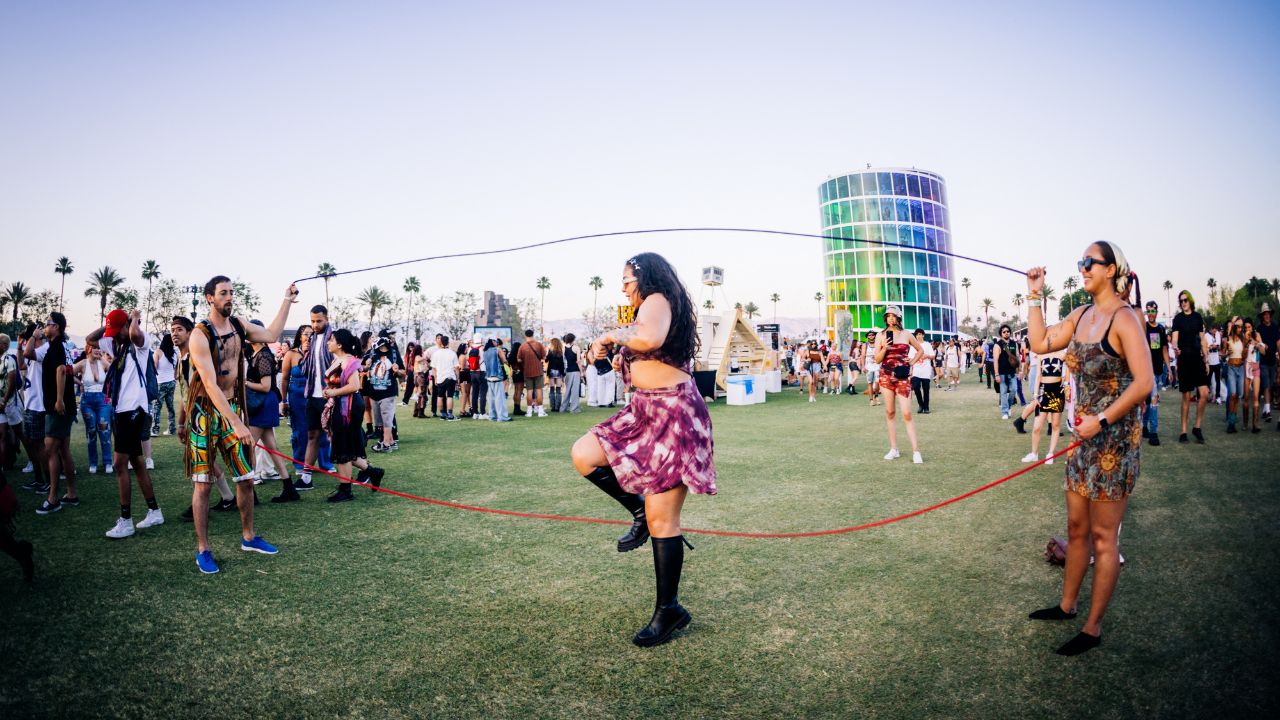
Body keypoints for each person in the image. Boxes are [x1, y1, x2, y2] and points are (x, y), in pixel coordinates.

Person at [571, 252, 715, 647]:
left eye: (627, 279)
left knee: (662, 521)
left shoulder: (656, 300)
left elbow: (649, 339)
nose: (623, 286)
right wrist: (599, 351)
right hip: (642, 410)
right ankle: (636, 509)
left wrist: (609, 335)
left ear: (646, 278)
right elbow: (639, 346)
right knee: (584, 454)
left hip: (673, 414)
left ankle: (668, 610)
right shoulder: (647, 310)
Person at [1024, 240, 1152, 655]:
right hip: (1083, 441)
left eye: (1089, 263)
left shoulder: (1125, 319)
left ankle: (1092, 628)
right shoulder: (1080, 315)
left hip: (1113, 441)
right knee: (1077, 530)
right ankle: (1067, 606)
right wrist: (1034, 295)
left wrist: (1102, 419)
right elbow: (1040, 343)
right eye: (1080, 262)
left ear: (1112, 269)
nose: (1082, 268)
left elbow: (1144, 382)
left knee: (1103, 537)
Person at [183, 276, 296, 573]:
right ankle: (203, 549)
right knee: (203, 484)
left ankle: (248, 537)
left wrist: (286, 300)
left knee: (245, 477)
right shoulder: (199, 335)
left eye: (231, 292)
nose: (229, 297)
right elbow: (209, 384)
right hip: (204, 413)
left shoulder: (239, 325)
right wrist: (237, 423)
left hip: (232, 406)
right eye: (223, 293)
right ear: (210, 298)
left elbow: (271, 332)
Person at [83, 308, 162, 535]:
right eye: (113, 332)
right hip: (121, 410)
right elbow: (91, 340)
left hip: (133, 410)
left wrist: (133, 319)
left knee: (119, 464)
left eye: (118, 331)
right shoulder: (116, 344)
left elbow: (135, 333)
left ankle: (126, 520)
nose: (115, 335)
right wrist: (111, 325)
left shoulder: (140, 343)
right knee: (136, 463)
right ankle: (154, 511)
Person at [172, 315, 239, 520]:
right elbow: (186, 395)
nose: (175, 333)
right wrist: (181, 422)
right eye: (172, 330)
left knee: (202, 461)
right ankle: (228, 498)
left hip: (205, 416)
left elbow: (205, 388)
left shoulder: (195, 358)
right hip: (194, 416)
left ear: (191, 333)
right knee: (201, 460)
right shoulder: (181, 359)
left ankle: (205, 503)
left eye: (180, 330)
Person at [320, 329, 386, 502]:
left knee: (343, 447)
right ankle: (373, 472)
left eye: (331, 340)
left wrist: (333, 393)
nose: (328, 343)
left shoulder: (348, 361)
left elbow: (354, 385)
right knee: (345, 446)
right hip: (342, 405)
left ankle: (345, 490)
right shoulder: (338, 360)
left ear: (340, 344)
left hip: (347, 408)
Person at [25, 313, 79, 515]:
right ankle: (71, 494)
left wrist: (58, 399)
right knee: (63, 449)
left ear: (56, 327)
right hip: (62, 406)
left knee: (50, 449)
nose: (45, 327)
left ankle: (53, 498)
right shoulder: (61, 346)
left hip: (57, 407)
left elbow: (60, 371)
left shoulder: (55, 346)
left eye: (47, 324)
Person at [245, 321, 298, 500]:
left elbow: (266, 386)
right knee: (271, 447)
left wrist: (244, 383)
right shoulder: (257, 354)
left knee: (248, 447)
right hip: (264, 404)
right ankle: (288, 487)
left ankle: (249, 491)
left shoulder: (264, 356)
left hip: (263, 403)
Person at [873, 307, 926, 463]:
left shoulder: (907, 334)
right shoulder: (880, 335)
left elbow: (920, 350)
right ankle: (894, 448)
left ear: (899, 317)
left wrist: (912, 362)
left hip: (902, 377)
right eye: (888, 316)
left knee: (907, 413)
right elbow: (877, 359)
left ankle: (916, 451)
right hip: (885, 377)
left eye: (893, 316)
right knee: (890, 412)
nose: (890, 318)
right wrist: (884, 348)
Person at [280, 325, 333, 474]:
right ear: (300, 336)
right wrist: (284, 401)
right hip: (296, 396)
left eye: (311, 334)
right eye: (306, 334)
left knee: (322, 429)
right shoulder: (291, 354)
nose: (309, 336)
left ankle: (325, 462)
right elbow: (284, 379)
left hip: (315, 395)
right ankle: (300, 463)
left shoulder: (319, 352)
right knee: (300, 431)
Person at [297, 305, 334, 491]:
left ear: (326, 319)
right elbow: (305, 370)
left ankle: (361, 469)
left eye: (319, 320)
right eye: (312, 321)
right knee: (312, 435)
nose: (315, 324)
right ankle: (305, 477)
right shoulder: (310, 339)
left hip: (331, 395)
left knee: (337, 436)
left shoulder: (334, 338)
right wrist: (304, 352)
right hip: (312, 395)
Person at [1170, 290, 1209, 443]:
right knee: (1186, 396)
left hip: (1198, 359)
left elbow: (1203, 339)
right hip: (1184, 358)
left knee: (1204, 393)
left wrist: (1206, 360)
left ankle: (1197, 427)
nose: (1183, 303)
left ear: (1190, 300)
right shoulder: (1178, 319)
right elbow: (1174, 339)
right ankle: (1183, 431)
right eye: (1181, 301)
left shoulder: (1198, 317)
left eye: (1185, 300)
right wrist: (1175, 347)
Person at [1021, 348, 1070, 463]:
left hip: (1058, 392)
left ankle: (1050, 454)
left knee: (1055, 425)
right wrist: (1036, 395)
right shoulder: (1041, 355)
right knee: (1037, 426)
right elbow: (1038, 376)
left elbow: (1069, 369)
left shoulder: (1063, 354)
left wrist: (1067, 385)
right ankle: (1034, 453)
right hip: (1043, 392)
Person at [74, 339, 114, 474]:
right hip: (87, 402)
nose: (98, 350)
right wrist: (80, 382)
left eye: (99, 348)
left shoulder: (103, 362)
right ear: (88, 349)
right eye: (95, 348)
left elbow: (114, 371)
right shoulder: (82, 364)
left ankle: (108, 462)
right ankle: (93, 463)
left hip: (103, 401)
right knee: (91, 432)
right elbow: (67, 372)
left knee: (104, 430)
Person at [1139, 301, 1169, 446]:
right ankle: (1153, 432)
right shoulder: (1143, 329)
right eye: (1148, 311)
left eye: (1153, 311)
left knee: (1149, 400)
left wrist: (1169, 368)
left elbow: (1164, 350)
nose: (1151, 314)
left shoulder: (1161, 330)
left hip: (1158, 371)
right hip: (1146, 371)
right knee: (1154, 399)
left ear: (1157, 312)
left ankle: (1144, 427)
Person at [366, 337, 404, 450]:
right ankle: (391, 441)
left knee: (387, 418)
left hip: (388, 392)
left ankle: (386, 444)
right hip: (373, 393)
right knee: (380, 420)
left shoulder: (394, 354)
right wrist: (367, 365)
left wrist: (397, 371)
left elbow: (403, 372)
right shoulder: (372, 354)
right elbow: (361, 368)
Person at [151, 333, 179, 436]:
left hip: (160, 383)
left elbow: (154, 368)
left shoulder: (158, 352)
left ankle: (155, 430)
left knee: (157, 407)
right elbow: (176, 371)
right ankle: (171, 430)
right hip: (171, 382)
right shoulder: (175, 354)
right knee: (170, 406)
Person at [1255, 303, 1278, 424]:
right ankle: (1268, 410)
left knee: (1272, 384)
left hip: (1273, 361)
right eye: (1265, 314)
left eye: (1268, 314)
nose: (1267, 316)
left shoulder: (1275, 327)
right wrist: (1263, 345)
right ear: (1262, 316)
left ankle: (1265, 409)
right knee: (1267, 385)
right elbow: (1258, 342)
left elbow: (1278, 342)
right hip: (1263, 361)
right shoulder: (1259, 328)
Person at [518, 329, 548, 417]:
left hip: (527, 371)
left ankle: (529, 411)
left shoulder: (523, 346)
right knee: (539, 391)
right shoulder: (538, 345)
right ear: (533, 335)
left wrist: (525, 361)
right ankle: (540, 411)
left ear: (525, 335)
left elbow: (519, 359)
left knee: (529, 392)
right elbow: (544, 357)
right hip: (538, 371)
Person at [1241, 318, 1263, 433]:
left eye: (1249, 327)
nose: (1247, 329)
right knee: (1246, 397)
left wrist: (1257, 344)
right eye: (1246, 327)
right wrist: (1246, 343)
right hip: (1247, 367)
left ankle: (1255, 424)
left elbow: (1263, 351)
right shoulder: (1244, 336)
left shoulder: (1257, 335)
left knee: (1255, 396)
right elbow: (1243, 355)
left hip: (1256, 367)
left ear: (1252, 327)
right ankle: (1245, 423)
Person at [430, 335, 460, 421]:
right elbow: (456, 368)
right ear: (448, 342)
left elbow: (434, 368)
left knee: (440, 396)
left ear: (440, 342)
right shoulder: (452, 353)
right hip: (450, 376)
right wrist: (458, 378)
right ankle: (450, 414)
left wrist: (435, 378)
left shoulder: (436, 354)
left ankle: (442, 414)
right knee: (450, 396)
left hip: (440, 378)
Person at [994, 325, 1020, 420]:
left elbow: (1017, 358)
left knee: (1014, 390)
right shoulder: (998, 345)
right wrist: (996, 374)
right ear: (1001, 333)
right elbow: (995, 360)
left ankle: (1008, 407)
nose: (1006, 333)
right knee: (1003, 392)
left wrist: (1019, 371)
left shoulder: (1014, 343)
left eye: (1008, 331)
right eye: (1004, 332)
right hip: (1002, 373)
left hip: (1012, 372)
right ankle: (1005, 411)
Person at [483, 338, 511, 422]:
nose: (497, 342)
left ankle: (492, 416)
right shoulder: (498, 350)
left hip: (488, 376)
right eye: (495, 341)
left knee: (491, 398)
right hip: (497, 375)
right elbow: (504, 360)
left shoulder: (485, 351)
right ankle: (502, 417)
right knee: (500, 397)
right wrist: (505, 363)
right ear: (493, 342)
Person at [910, 329, 933, 414]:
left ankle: (926, 407)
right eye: (917, 334)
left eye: (920, 334)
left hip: (926, 370)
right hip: (916, 370)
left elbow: (932, 356)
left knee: (926, 389)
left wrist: (927, 356)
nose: (918, 336)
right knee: (916, 387)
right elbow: (910, 358)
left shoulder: (927, 345)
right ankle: (920, 405)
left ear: (923, 335)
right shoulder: (913, 346)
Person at [466, 335, 487, 419]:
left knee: (474, 392)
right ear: (481, 339)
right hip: (481, 371)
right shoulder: (482, 348)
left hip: (472, 372)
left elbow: (468, 359)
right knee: (483, 393)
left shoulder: (470, 348)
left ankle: (475, 413)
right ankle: (482, 413)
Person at [561, 333, 582, 413]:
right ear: (573, 339)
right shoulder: (576, 348)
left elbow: (563, 360)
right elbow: (578, 361)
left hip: (568, 371)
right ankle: (574, 408)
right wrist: (582, 372)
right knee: (575, 390)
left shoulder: (563, 348)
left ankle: (563, 408)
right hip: (575, 371)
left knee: (567, 390)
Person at [861, 331, 882, 406]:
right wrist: (863, 366)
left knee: (877, 383)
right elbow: (863, 356)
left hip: (877, 366)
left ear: (875, 336)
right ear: (867, 337)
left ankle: (876, 396)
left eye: (872, 335)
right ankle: (871, 399)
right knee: (870, 383)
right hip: (868, 367)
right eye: (869, 335)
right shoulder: (865, 345)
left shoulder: (878, 344)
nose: (871, 336)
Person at [546, 337, 566, 411]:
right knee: (558, 389)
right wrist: (563, 373)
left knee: (551, 389)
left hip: (551, 371)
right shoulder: (561, 352)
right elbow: (562, 364)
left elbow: (546, 360)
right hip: (559, 371)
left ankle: (552, 407)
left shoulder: (550, 351)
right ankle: (557, 407)